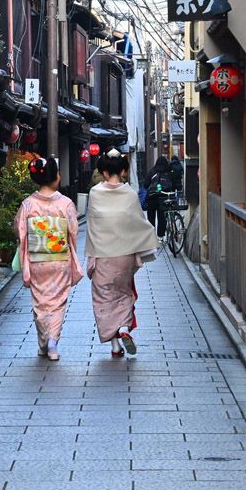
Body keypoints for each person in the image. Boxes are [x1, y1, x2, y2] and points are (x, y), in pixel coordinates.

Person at [86, 150, 159, 357]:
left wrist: (91, 255)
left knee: (103, 299)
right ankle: (125, 328)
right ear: (124, 170)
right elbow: (137, 223)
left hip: (103, 255)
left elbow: (93, 226)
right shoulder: (129, 193)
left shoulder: (95, 194)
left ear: (104, 172)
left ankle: (115, 345)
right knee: (123, 294)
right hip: (125, 256)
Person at [13, 157, 83, 361]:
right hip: (59, 258)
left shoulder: (28, 204)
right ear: (56, 177)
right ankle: (52, 341)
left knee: (40, 301)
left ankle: (44, 342)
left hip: (37, 259)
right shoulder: (66, 203)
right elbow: (73, 231)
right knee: (58, 302)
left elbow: (20, 230)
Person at [143, 156, 174, 238]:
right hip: (164, 198)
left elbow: (146, 184)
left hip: (152, 198)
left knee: (151, 217)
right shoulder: (168, 172)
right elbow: (172, 185)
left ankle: (151, 236)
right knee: (162, 218)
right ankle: (161, 236)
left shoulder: (152, 171)